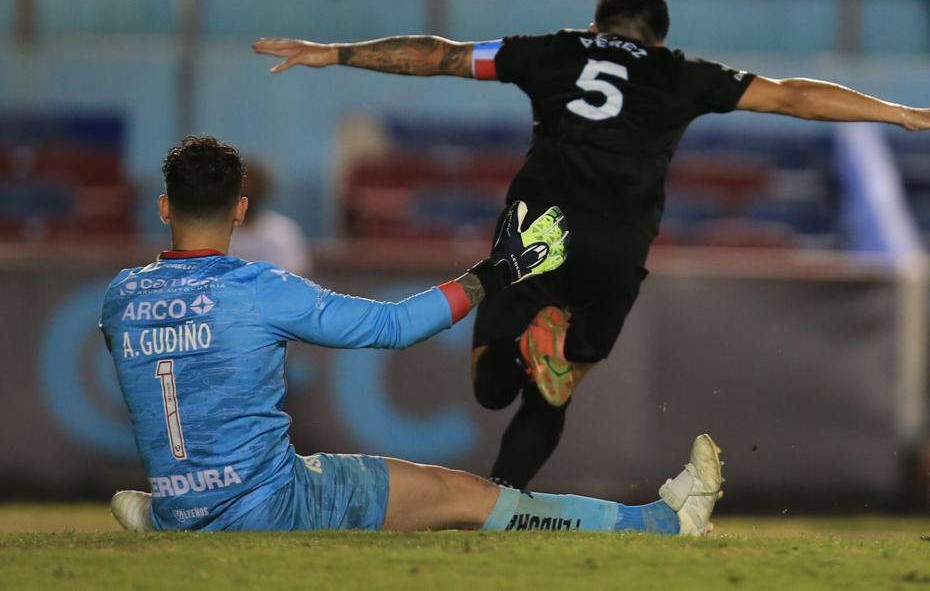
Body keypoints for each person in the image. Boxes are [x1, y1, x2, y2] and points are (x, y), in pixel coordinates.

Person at [252, 0, 930, 490]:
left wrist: (336, 51)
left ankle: (525, 344)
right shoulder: (682, 73)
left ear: (596, 24)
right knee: (555, 393)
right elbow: (793, 97)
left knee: (490, 387)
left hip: (540, 224)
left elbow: (440, 54)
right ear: (659, 37)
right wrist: (900, 113)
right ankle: (504, 496)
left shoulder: (551, 51)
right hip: (620, 240)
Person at [105, 135, 723, 536]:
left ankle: (170, 516)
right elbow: (393, 326)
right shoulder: (261, 288)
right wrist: (499, 271)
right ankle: (663, 523)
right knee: (463, 495)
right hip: (275, 504)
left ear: (164, 207)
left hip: (183, 498)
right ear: (240, 210)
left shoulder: (121, 296)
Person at [229, 159, 314, 275]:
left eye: (253, 189)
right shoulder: (217, 230)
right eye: (243, 190)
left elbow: (296, 274)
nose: (248, 193)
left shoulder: (282, 231)